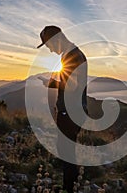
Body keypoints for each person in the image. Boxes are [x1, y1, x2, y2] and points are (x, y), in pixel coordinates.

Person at [37, 25, 88, 193]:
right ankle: (69, 185)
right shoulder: (73, 53)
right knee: (66, 150)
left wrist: (50, 83)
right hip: (73, 110)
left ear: (56, 40)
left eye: (49, 45)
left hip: (70, 112)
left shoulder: (73, 56)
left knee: (66, 151)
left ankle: (69, 188)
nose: (50, 50)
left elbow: (73, 87)